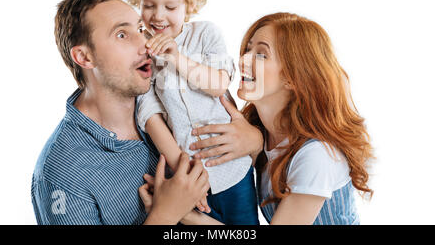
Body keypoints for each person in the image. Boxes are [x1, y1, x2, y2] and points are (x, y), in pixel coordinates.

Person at [141, 12, 374, 225]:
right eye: (248, 50)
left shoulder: (317, 156)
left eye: (261, 55)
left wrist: (177, 213)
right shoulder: (261, 134)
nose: (243, 60)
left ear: (293, 78)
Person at [31, 0, 210, 225]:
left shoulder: (168, 96)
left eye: (140, 29)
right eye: (122, 35)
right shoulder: (62, 174)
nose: (147, 44)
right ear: (84, 57)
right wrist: (165, 215)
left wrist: (253, 141)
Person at [125, 0, 258, 224]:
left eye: (170, 6)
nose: (158, 15)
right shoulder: (143, 51)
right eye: (148, 5)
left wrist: (177, 58)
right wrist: (183, 171)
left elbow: (218, 83)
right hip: (190, 177)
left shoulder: (206, 34)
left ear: (190, 4)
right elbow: (150, 116)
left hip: (232, 170)